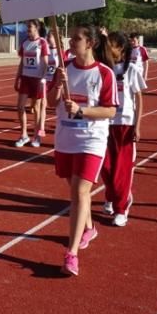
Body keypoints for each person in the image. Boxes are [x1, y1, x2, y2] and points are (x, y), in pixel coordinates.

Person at [48, 25, 117, 276]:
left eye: (76, 38)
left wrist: (81, 111)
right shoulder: (64, 68)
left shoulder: (104, 73)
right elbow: (51, 102)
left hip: (91, 140)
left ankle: (71, 253)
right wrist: (58, 84)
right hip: (66, 138)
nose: (70, 41)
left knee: (79, 190)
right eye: (71, 37)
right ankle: (89, 226)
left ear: (90, 43)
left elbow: (110, 111)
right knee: (73, 186)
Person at [102, 31, 147, 226]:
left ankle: (122, 207)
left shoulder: (131, 70)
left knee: (122, 168)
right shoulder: (106, 69)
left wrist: (137, 125)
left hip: (125, 124)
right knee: (105, 166)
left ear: (120, 48)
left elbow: (138, 98)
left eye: (110, 44)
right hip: (106, 123)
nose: (106, 48)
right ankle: (113, 195)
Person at [13, 19, 48, 148]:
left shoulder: (42, 43)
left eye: (30, 27)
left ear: (36, 28)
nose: (28, 29)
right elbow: (22, 62)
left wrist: (43, 79)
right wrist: (17, 78)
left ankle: (37, 135)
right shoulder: (25, 43)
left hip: (37, 79)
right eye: (27, 27)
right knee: (20, 106)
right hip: (26, 78)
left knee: (37, 108)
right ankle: (24, 134)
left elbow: (45, 63)